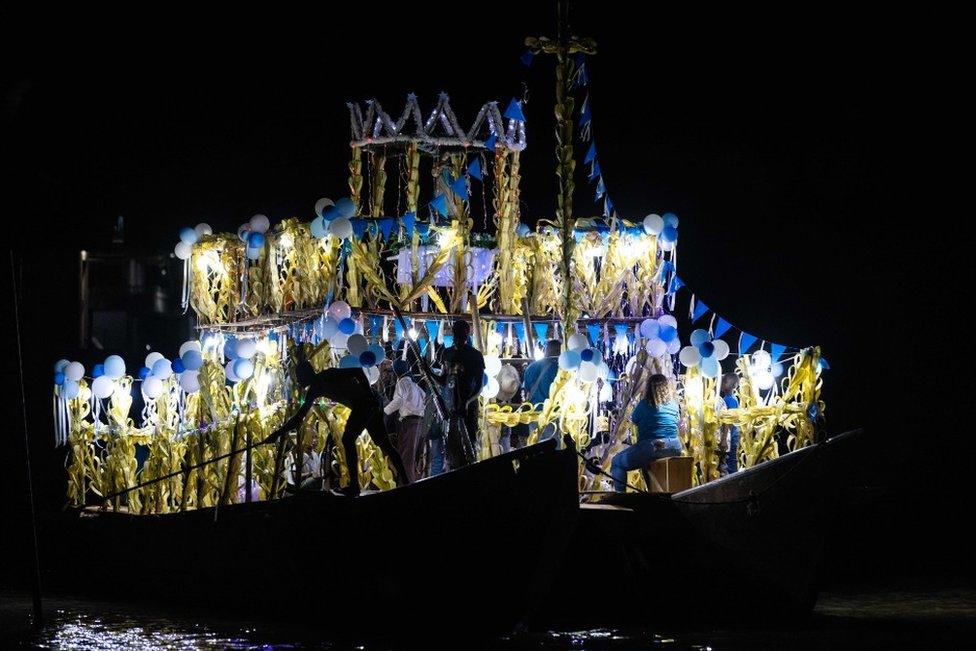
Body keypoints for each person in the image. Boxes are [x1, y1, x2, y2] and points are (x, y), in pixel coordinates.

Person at [271, 361, 409, 497]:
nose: (298, 380)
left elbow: (357, 371)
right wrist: (276, 434)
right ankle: (406, 482)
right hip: (366, 404)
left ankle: (355, 486)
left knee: (349, 440)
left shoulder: (328, 375)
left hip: (366, 402)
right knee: (383, 443)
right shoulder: (314, 390)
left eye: (298, 375)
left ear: (307, 373)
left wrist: (368, 394)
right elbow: (298, 418)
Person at [610, 374, 682, 492]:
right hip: (674, 446)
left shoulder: (644, 404)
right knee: (646, 463)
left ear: (648, 388)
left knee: (617, 462)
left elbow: (634, 420)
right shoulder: (674, 404)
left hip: (653, 446)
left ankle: (620, 497)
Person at [439, 319, 485, 450]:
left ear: (467, 334)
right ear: (453, 333)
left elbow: (479, 386)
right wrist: (428, 372)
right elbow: (443, 381)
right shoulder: (446, 353)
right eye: (457, 332)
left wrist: (467, 401)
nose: (460, 336)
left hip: (468, 407)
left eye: (463, 333)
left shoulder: (475, 355)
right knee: (451, 445)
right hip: (451, 406)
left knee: (470, 443)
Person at [384, 359, 426, 483]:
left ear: (397, 371)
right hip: (419, 422)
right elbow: (425, 398)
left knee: (406, 457)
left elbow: (399, 401)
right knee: (412, 456)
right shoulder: (414, 384)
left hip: (410, 423)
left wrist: (385, 412)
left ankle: (406, 484)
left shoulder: (402, 382)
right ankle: (411, 480)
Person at [522, 339, 561, 442]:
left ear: (545, 350)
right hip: (552, 415)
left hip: (534, 413)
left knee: (535, 447)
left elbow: (526, 390)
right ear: (559, 351)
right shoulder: (560, 369)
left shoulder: (531, 367)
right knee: (553, 448)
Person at [718, 374, 741, 475]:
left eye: (725, 382)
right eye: (723, 382)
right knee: (729, 461)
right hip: (731, 434)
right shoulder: (728, 398)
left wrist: (724, 439)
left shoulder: (730, 400)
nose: (723, 384)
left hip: (731, 435)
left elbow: (729, 421)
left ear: (734, 385)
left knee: (730, 462)